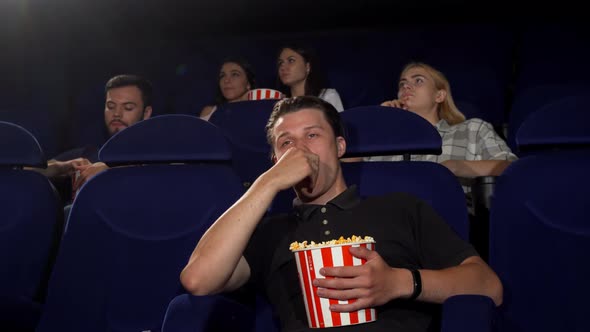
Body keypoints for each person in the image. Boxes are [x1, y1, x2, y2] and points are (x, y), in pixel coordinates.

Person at [180, 96, 503, 332]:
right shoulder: (269, 232)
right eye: (285, 142)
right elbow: (198, 280)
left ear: (340, 147)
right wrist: (266, 184)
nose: (300, 150)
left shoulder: (400, 208)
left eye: (312, 135)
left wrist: (400, 282)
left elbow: (488, 286)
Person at [369, 62, 517, 177]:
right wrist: (378, 122)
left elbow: (512, 167)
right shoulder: (385, 142)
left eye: (418, 81)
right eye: (402, 84)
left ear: (439, 96)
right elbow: (350, 172)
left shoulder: (472, 129)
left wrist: (456, 167)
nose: (406, 87)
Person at [34, 74, 153, 199]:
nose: (117, 113)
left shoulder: (158, 156)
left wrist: (108, 171)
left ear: (146, 113)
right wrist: (61, 167)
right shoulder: (87, 156)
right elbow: (23, 171)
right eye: (110, 106)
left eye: (128, 108)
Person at [277, 44, 344, 112]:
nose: (283, 67)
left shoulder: (327, 96)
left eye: (291, 60)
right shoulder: (280, 104)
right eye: (280, 63)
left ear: (307, 67)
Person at [199, 57, 256, 121]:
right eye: (222, 75)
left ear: (248, 84)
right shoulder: (209, 112)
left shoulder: (260, 111)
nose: (226, 80)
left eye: (235, 74)